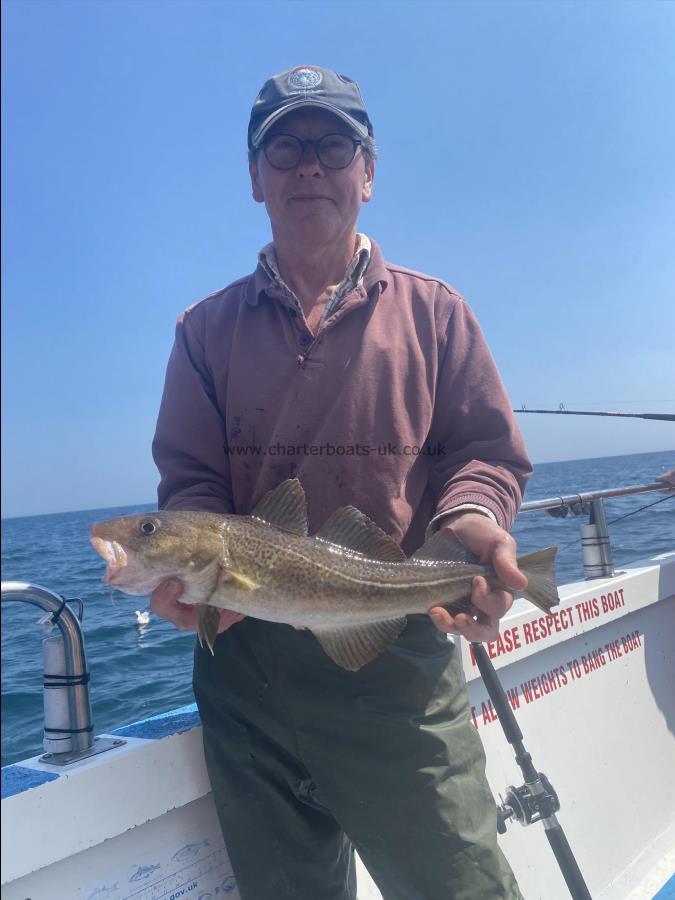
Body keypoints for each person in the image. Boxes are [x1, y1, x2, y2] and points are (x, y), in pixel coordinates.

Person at [151, 65, 531, 900]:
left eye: (333, 145)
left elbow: (486, 453)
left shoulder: (436, 313)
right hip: (246, 677)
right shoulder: (201, 332)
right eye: (284, 146)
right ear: (255, 177)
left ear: (369, 170)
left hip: (396, 667)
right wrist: (182, 567)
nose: (308, 165)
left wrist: (470, 514)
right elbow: (189, 486)